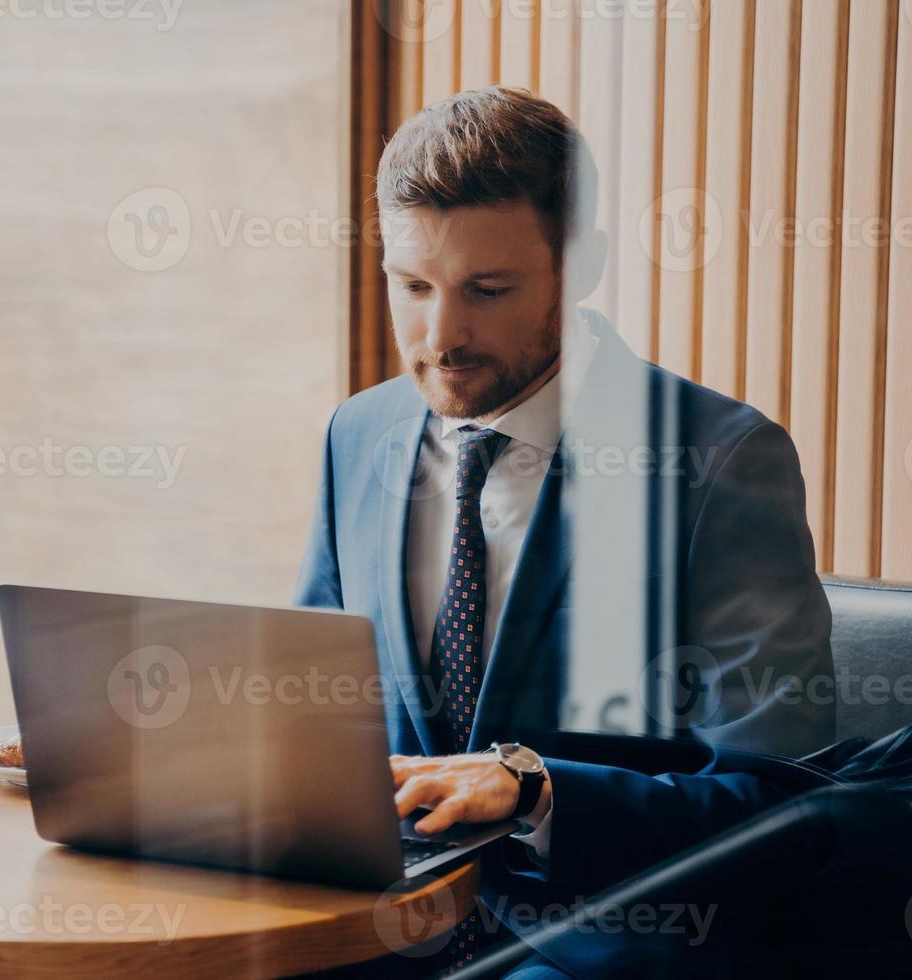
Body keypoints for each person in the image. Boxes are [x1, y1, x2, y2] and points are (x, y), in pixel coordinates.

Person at [294, 86, 835, 975]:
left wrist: (535, 791)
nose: (441, 335)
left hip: (603, 945)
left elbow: (785, 804)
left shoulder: (721, 461)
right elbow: (314, 713)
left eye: (488, 289)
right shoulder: (358, 434)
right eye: (412, 285)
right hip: (372, 929)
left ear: (582, 265)